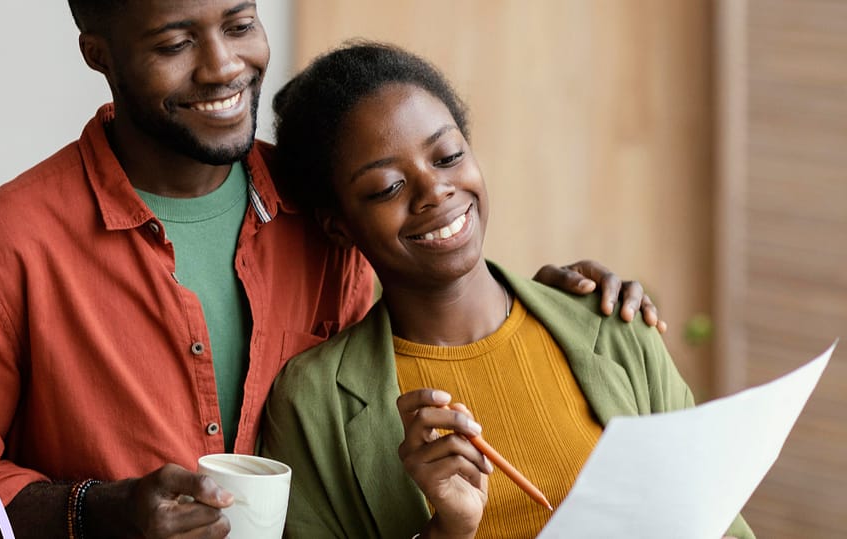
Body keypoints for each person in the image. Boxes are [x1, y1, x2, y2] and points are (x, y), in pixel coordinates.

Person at [0, 3, 663, 538]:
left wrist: (566, 303)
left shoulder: (326, 199)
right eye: (175, 43)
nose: (223, 67)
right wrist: (103, 510)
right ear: (99, 53)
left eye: (241, 23)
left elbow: (436, 287)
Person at [258, 42, 753, 539]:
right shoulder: (312, 400)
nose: (435, 191)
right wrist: (447, 532)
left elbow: (719, 523)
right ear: (339, 226)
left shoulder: (613, 324)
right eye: (388, 186)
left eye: (448, 156)